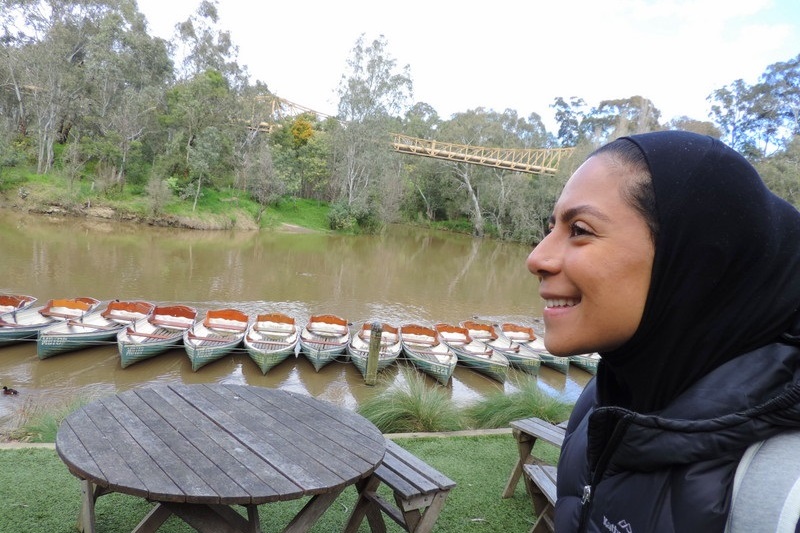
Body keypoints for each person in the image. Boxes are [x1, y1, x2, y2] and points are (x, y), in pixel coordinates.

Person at [526, 130, 800, 532]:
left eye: (579, 230)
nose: (537, 258)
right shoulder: (600, 400)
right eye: (552, 228)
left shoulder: (785, 489)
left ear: (696, 262)